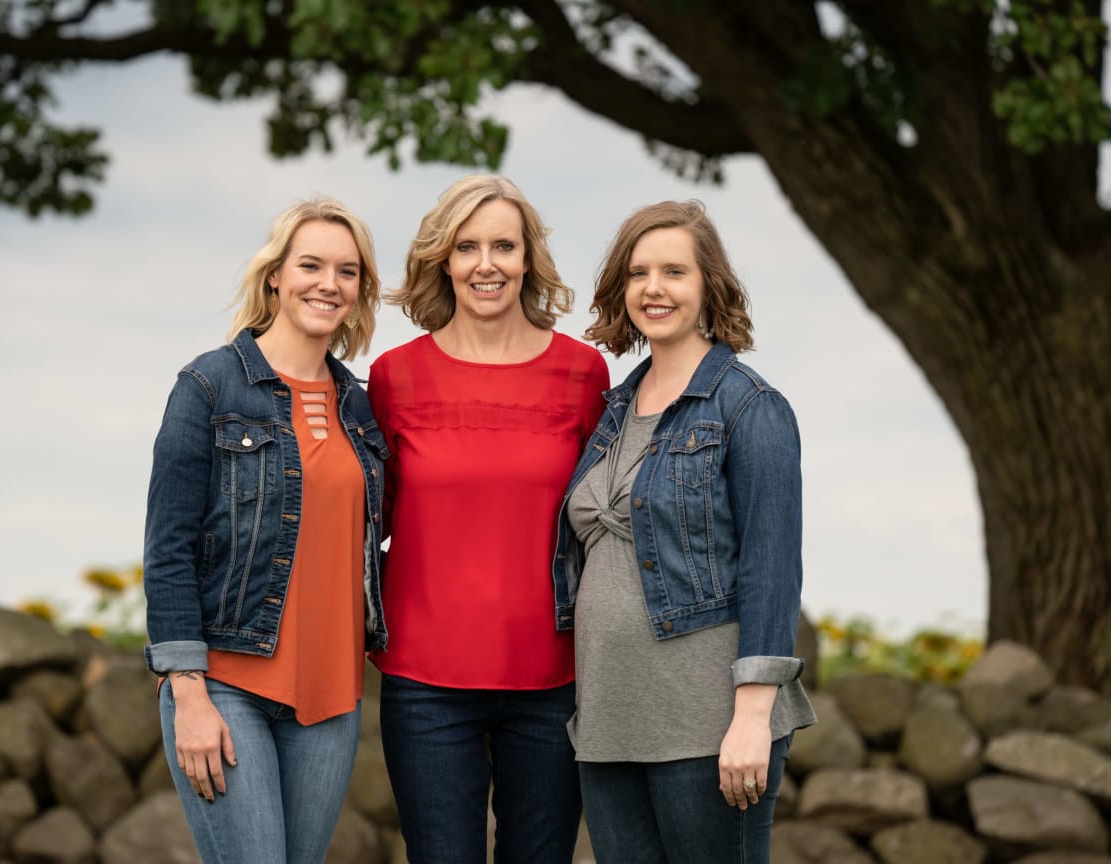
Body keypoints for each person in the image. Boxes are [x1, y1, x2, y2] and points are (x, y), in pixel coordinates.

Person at [554, 200, 815, 863]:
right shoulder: (612, 412)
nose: (654, 288)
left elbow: (771, 569)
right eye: (638, 272)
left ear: (708, 287)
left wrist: (752, 717)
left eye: (674, 271)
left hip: (706, 722)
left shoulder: (751, 407)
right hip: (609, 723)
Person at [367, 174, 610, 863]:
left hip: (555, 681)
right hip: (424, 685)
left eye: (504, 245)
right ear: (443, 259)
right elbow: (368, 515)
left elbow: (603, 521)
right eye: (467, 246)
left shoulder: (583, 374)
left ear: (528, 257)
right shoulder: (394, 377)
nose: (486, 263)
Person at [142, 198, 389, 864]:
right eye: (310, 264)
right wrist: (187, 693)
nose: (327, 283)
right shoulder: (209, 386)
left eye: (346, 270)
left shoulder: (361, 408)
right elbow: (168, 550)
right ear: (275, 275)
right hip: (227, 686)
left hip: (332, 701)